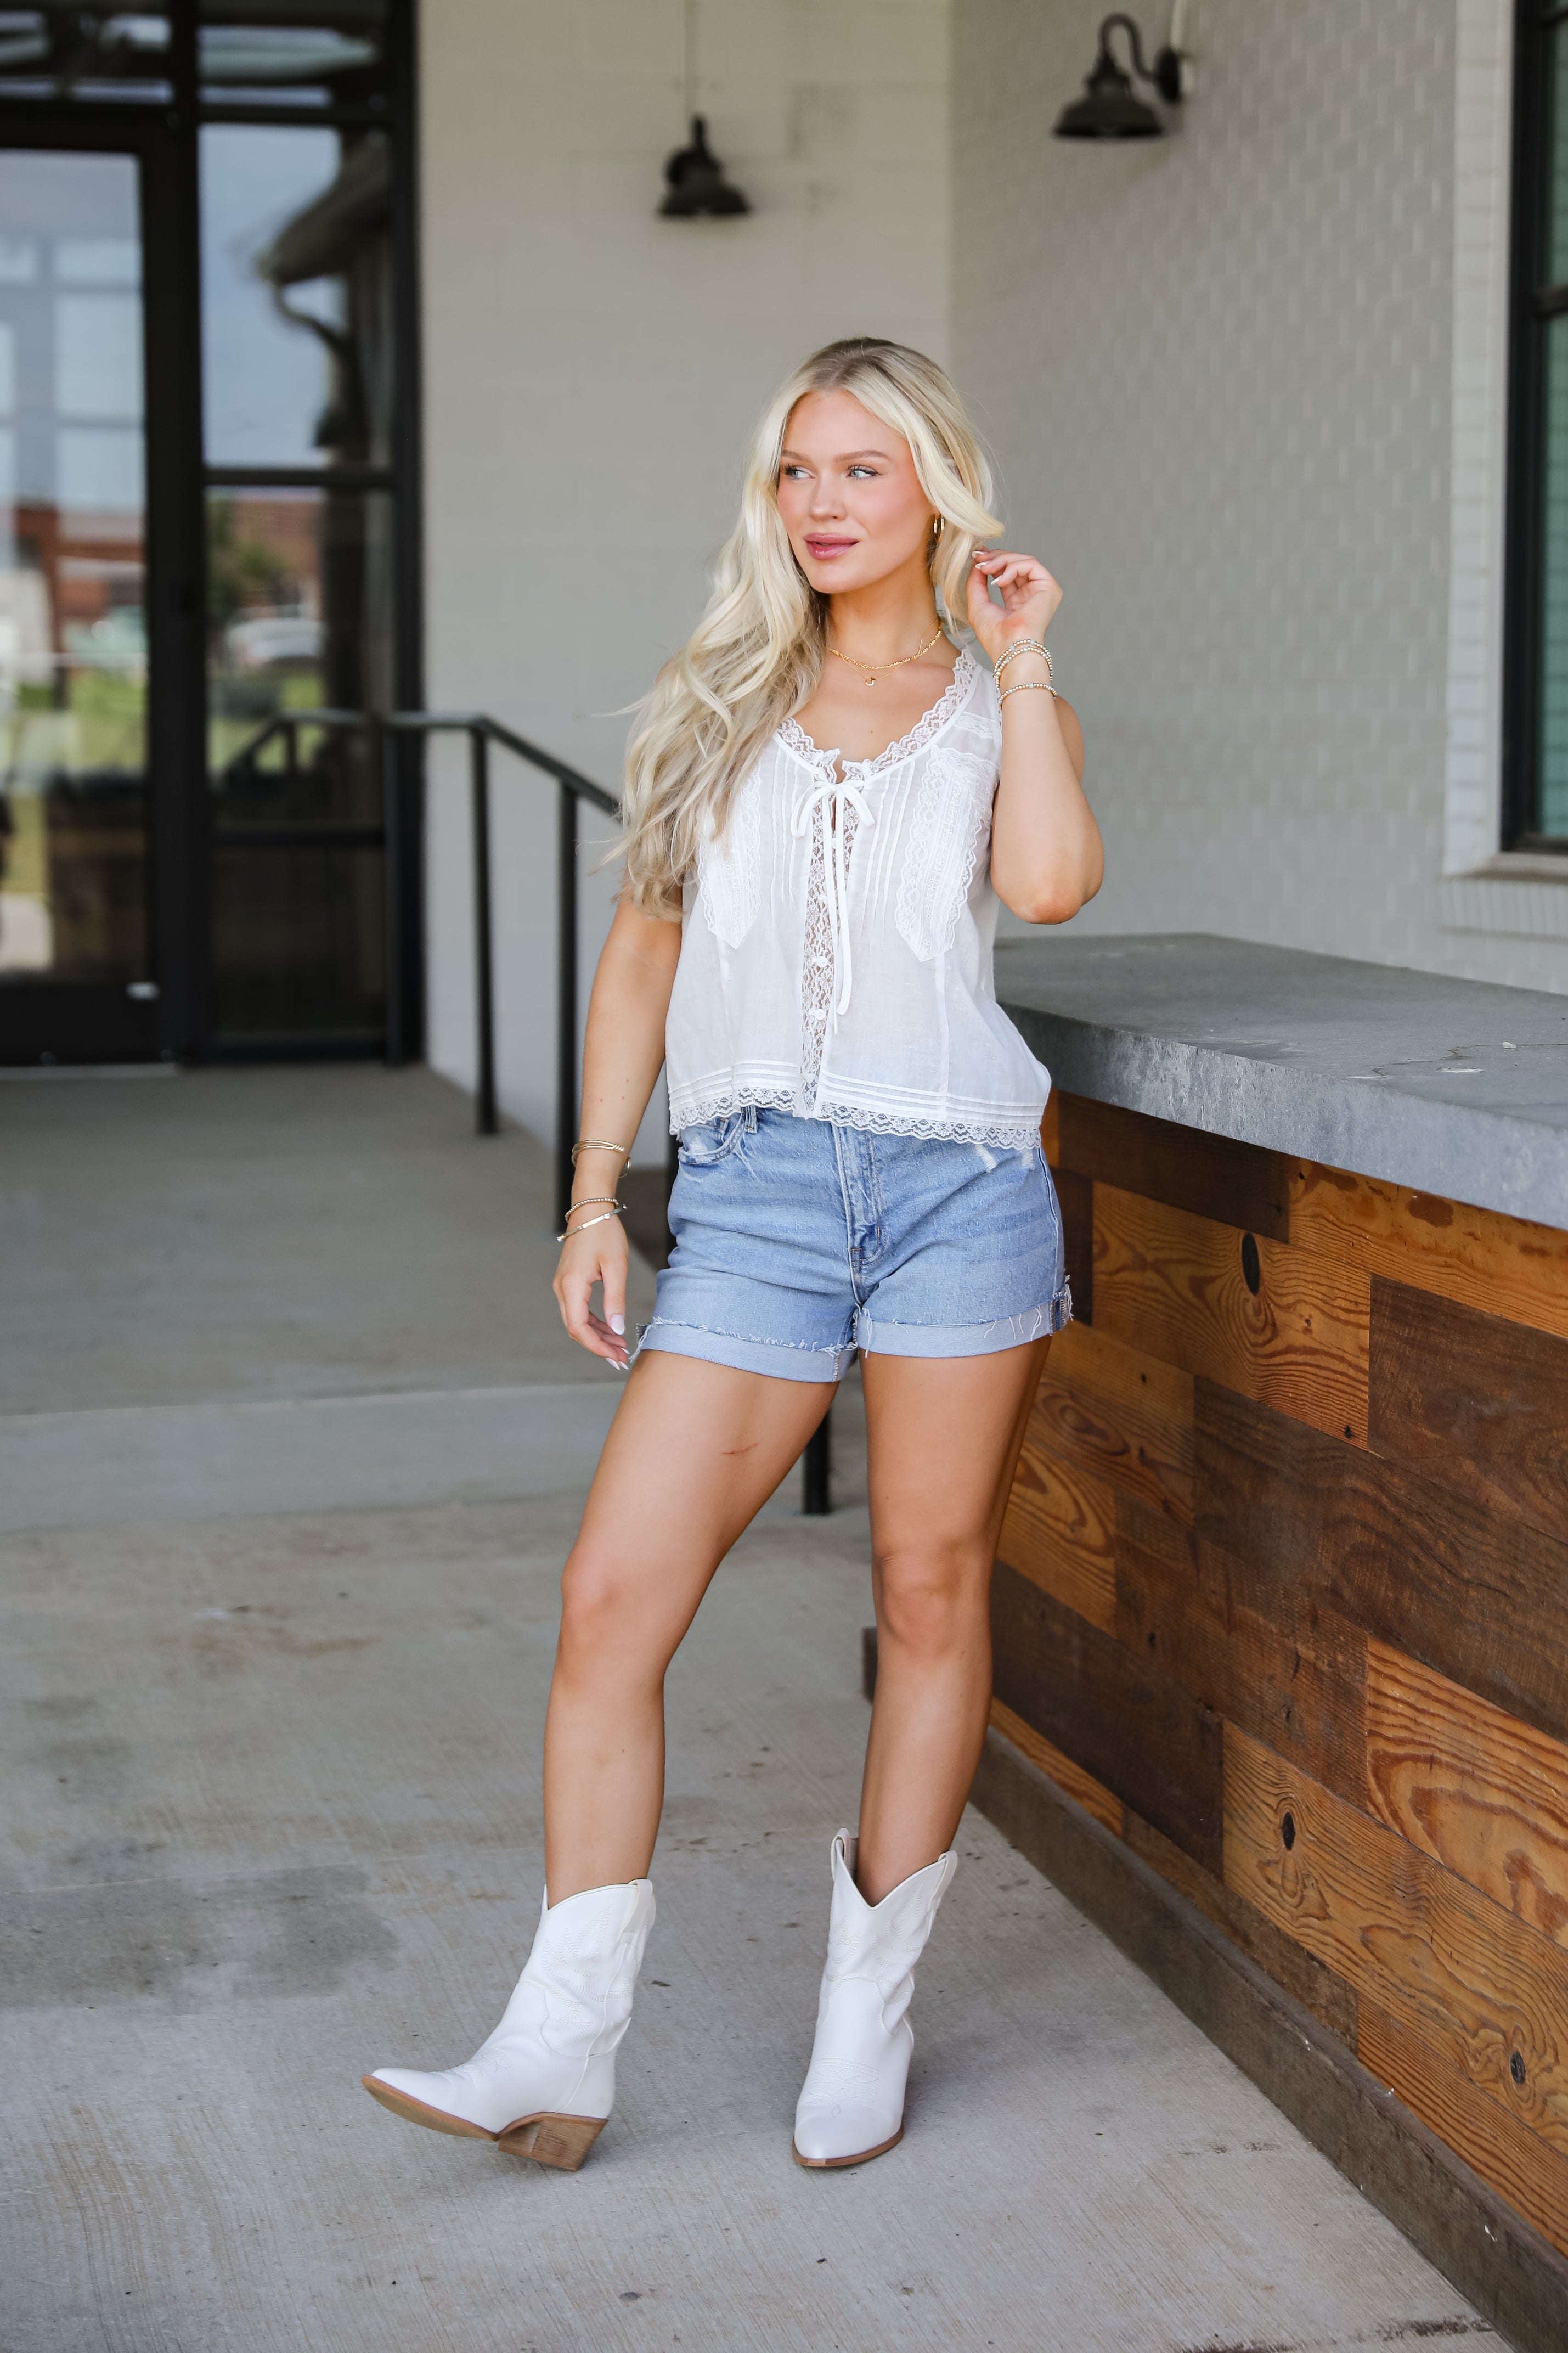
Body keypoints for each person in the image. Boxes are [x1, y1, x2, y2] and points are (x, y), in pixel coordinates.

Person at [364, 337, 1102, 2174]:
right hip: (759, 1192)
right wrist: (595, 1193)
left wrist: (1022, 668)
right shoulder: (721, 706)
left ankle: (869, 2011)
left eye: (861, 468)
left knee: (929, 1593)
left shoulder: (990, 701)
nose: (824, 503)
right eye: (795, 471)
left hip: (955, 1188)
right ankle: (558, 2038)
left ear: (934, 484)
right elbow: (638, 962)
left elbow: (1051, 889)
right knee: (612, 1601)